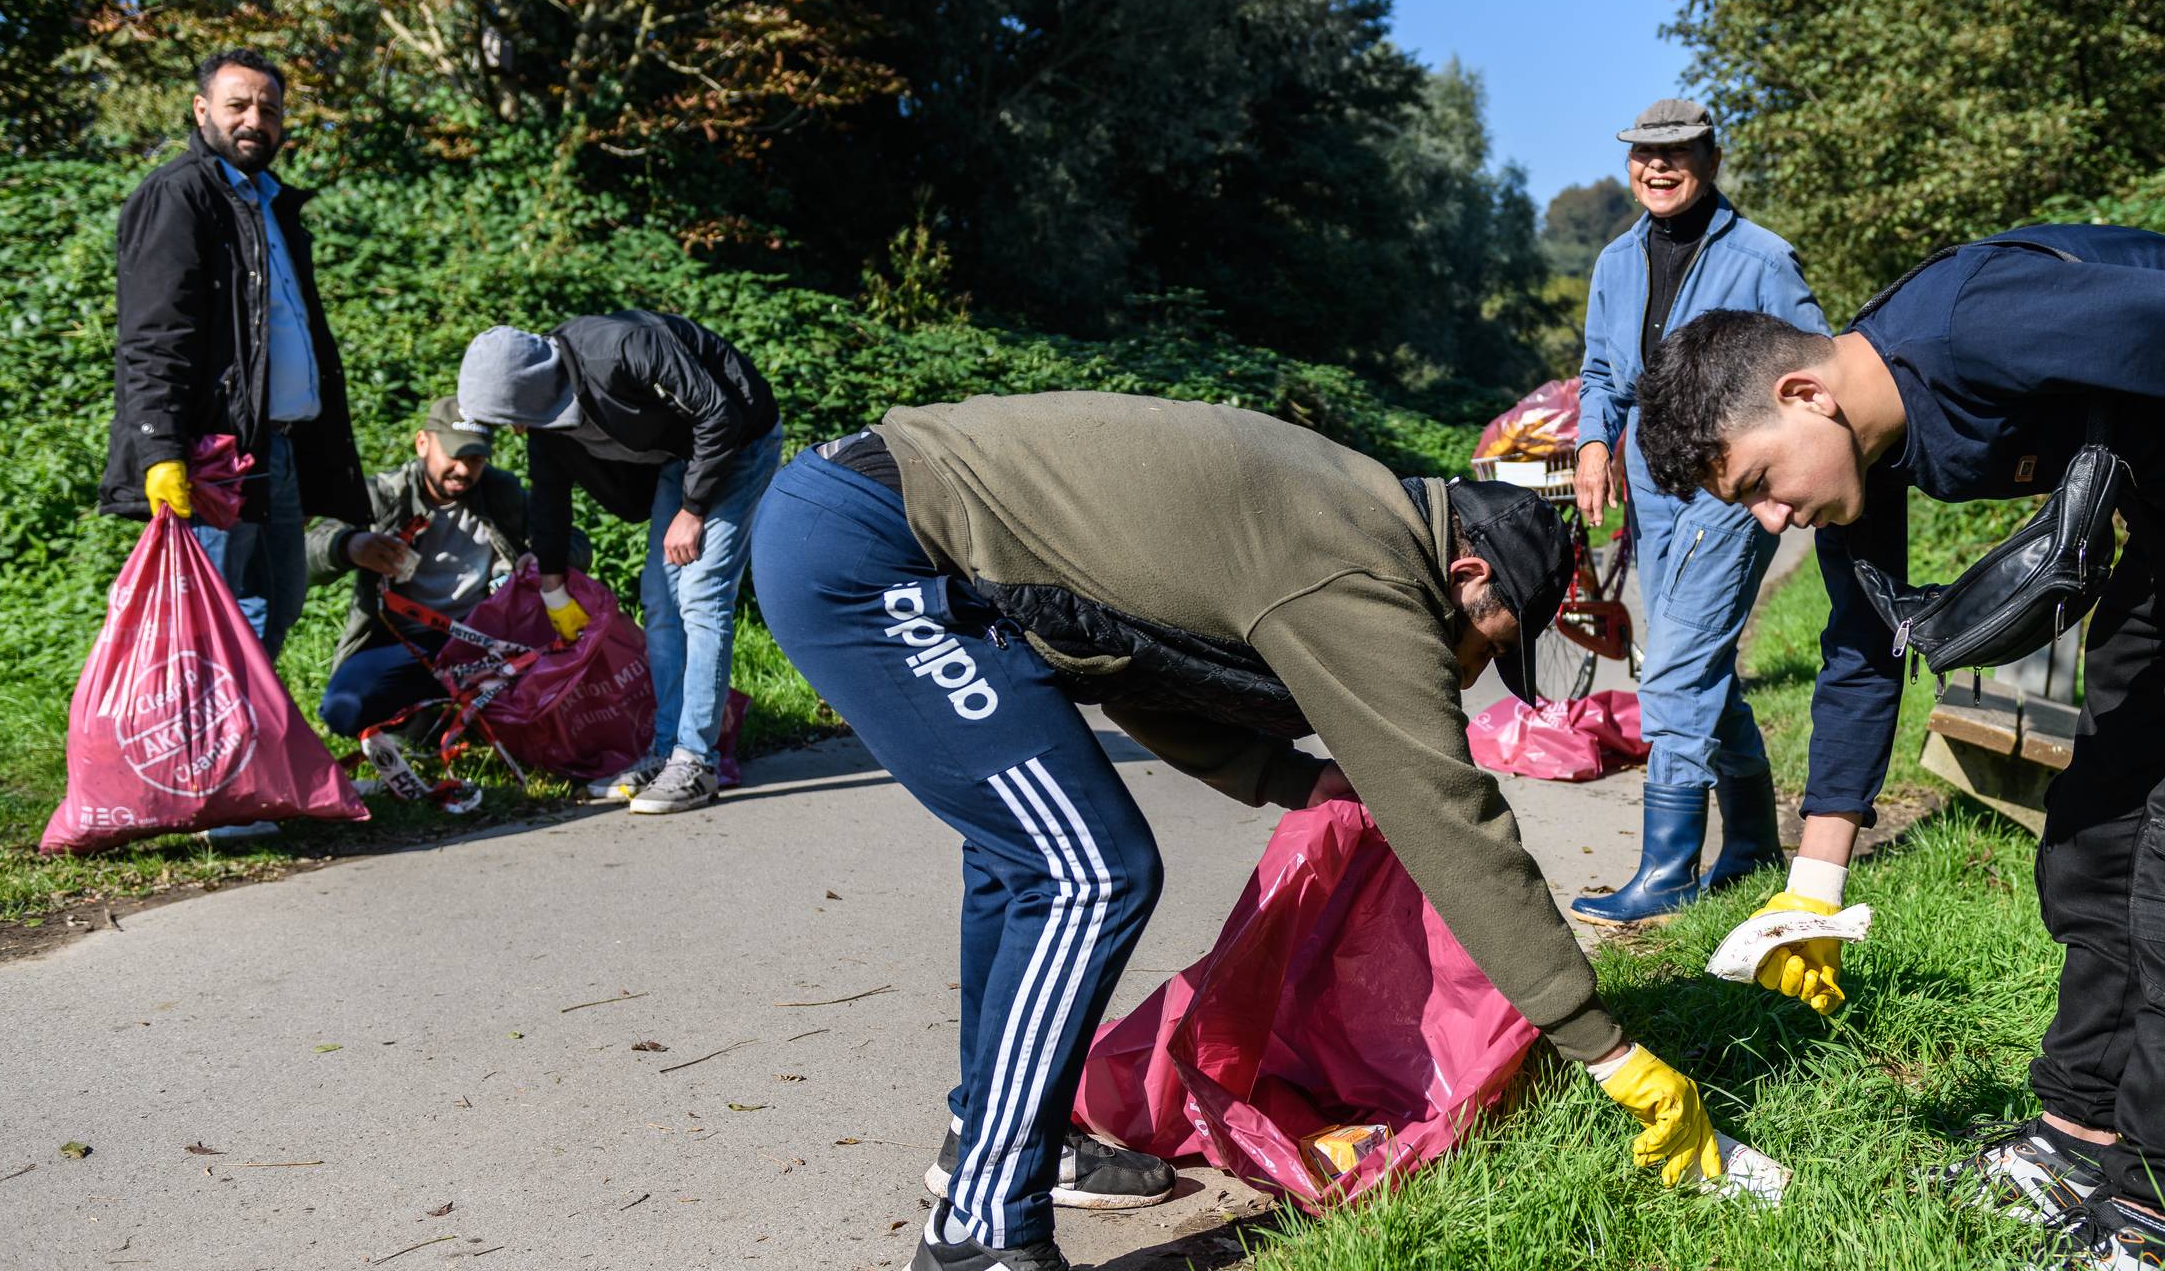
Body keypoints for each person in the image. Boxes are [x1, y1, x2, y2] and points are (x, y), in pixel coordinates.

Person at [753, 393, 1738, 1271]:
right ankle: (978, 1232)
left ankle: (1001, 1140)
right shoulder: (1362, 564)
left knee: (1029, 861)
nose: (1467, 671)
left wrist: (1294, 777)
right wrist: (1605, 1049)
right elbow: (1446, 810)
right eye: (1479, 642)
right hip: (872, 547)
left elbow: (1120, 656)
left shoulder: (1349, 507)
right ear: (1465, 571)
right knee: (1085, 872)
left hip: (877, 523)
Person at [1632, 224, 2165, 1270]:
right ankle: (2075, 1138)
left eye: (1760, 481)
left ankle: (2160, 1210)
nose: (1772, 517)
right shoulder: (1875, 433)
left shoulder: (1976, 327)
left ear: (1804, 394)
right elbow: (1866, 646)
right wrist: (1812, 888)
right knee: (2090, 838)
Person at [1567, 98, 1828, 926]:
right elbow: (1602, 375)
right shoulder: (1615, 260)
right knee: (1699, 663)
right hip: (1652, 484)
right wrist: (1594, 445)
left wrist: (1786, 472)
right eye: (1645, 154)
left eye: (1677, 153)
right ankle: (1751, 845)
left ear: (1710, 160)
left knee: (1676, 665)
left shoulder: (1761, 257)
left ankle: (1669, 867)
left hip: (1736, 484)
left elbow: (1818, 364)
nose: (1658, 167)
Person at [102, 46, 370, 841]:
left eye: (270, 108)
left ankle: (234, 771)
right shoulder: (180, 197)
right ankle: (216, 794)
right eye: (239, 105)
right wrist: (160, 453)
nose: (256, 120)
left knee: (276, 602)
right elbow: (153, 338)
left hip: (277, 448)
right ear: (201, 111)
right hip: (214, 455)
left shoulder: (270, 201)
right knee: (218, 626)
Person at [455, 312, 781, 815]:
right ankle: (667, 749)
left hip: (738, 441)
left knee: (701, 594)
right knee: (660, 598)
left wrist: (693, 511)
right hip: (684, 458)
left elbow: (719, 415)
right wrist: (552, 584)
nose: (513, 431)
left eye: (508, 417)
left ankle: (697, 761)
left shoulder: (624, 349)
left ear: (529, 390)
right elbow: (549, 497)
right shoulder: (547, 420)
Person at [304, 399, 575, 791]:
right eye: (454, 455)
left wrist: (542, 556)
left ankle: (455, 719)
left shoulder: (501, 493)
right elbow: (310, 545)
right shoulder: (384, 494)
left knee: (556, 707)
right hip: (403, 639)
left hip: (483, 639)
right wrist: (349, 545)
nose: (464, 470)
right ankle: (428, 720)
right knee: (343, 710)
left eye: (476, 459)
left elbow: (570, 538)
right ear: (422, 444)